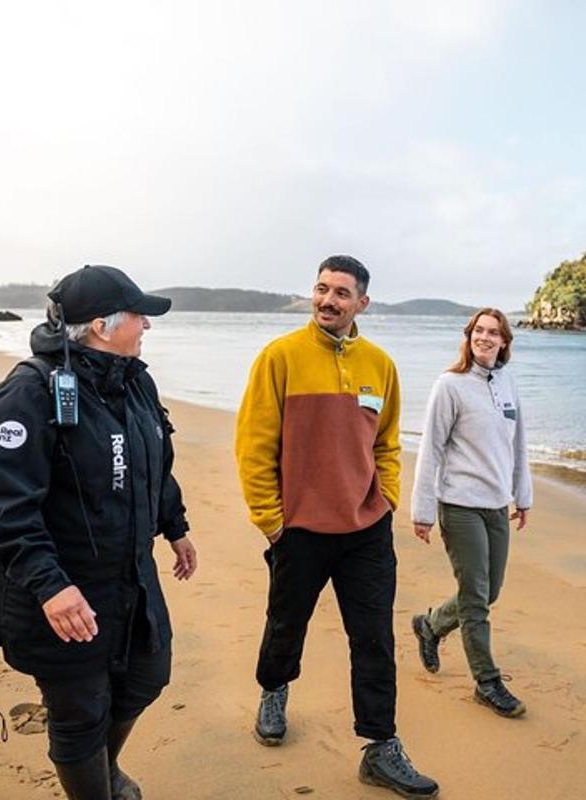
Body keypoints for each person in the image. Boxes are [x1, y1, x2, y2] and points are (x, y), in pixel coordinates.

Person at [0, 265, 198, 800]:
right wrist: (51, 586)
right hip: (62, 589)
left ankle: (103, 768)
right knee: (79, 714)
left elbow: (154, 465)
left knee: (147, 676)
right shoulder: (26, 395)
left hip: (131, 579)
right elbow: (2, 508)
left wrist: (175, 527)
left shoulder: (135, 382)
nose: (146, 325)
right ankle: (94, 786)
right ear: (101, 325)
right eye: (139, 316)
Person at [235, 255, 438, 799]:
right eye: (322, 289)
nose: (328, 300)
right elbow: (254, 446)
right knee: (286, 624)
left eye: (341, 293)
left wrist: (386, 497)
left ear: (361, 304)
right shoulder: (280, 357)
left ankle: (380, 746)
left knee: (373, 639)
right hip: (298, 528)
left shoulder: (380, 364)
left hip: (366, 529)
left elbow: (388, 443)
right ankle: (274, 689)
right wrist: (272, 522)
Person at [409, 308, 532, 718]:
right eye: (478, 331)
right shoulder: (450, 385)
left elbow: (518, 446)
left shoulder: (509, 383)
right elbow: (432, 449)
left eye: (493, 332)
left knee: (489, 590)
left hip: (497, 505)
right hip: (459, 505)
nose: (485, 338)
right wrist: (423, 509)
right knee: (477, 599)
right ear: (469, 337)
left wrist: (523, 496)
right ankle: (487, 682)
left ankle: (430, 626)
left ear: (504, 342)